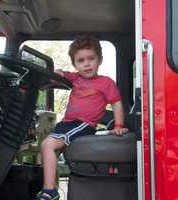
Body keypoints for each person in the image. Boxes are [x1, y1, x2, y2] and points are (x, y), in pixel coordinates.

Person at [36, 35, 128, 200]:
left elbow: (116, 103)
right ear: (75, 64)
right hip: (67, 124)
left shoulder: (106, 83)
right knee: (51, 150)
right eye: (81, 60)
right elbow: (60, 76)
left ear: (99, 60)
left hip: (83, 124)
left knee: (47, 145)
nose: (86, 64)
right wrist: (57, 73)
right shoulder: (75, 77)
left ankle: (49, 191)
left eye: (91, 58)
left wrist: (118, 125)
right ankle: (52, 187)